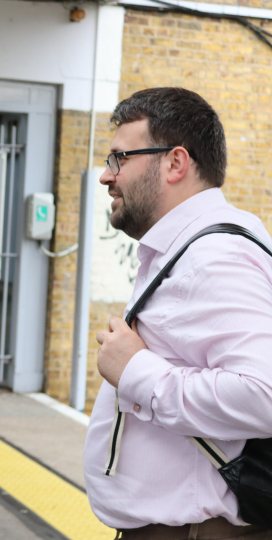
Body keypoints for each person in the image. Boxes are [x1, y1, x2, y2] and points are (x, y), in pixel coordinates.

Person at [84, 87, 272, 538]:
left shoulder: (214, 258)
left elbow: (264, 395)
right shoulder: (189, 248)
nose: (107, 177)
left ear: (175, 163)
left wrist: (135, 372)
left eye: (119, 159)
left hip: (197, 530)